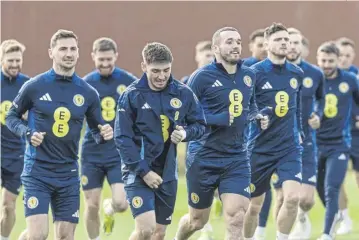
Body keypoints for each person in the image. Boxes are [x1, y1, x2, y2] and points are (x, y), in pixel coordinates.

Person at [6, 29, 113, 240]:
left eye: (73, 48)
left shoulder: (88, 93)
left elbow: (96, 130)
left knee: (65, 236)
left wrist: (105, 132)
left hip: (68, 173)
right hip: (37, 171)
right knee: (38, 235)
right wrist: (27, 132)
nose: (69, 53)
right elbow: (12, 117)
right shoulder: (34, 86)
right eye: (63, 48)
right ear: (51, 52)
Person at [174, 26, 269, 240]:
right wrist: (221, 119)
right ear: (216, 48)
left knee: (237, 217)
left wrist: (257, 115)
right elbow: (186, 117)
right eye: (229, 42)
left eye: (238, 41)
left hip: (236, 157)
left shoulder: (249, 75)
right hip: (204, 157)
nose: (236, 45)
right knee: (197, 221)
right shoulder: (200, 78)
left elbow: (250, 105)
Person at [115, 42, 206, 240]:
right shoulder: (131, 96)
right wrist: (144, 172)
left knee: (159, 233)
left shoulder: (183, 93)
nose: (162, 76)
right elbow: (122, 139)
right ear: (144, 67)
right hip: (138, 171)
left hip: (168, 172)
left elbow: (200, 125)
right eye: (155, 71)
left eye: (166, 70)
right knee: (145, 230)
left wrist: (185, 134)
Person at [243, 23, 304, 240]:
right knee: (253, 206)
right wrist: (256, 115)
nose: (284, 43)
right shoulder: (254, 73)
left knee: (293, 198)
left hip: (289, 147)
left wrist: (300, 132)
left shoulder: (296, 73)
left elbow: (296, 108)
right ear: (267, 44)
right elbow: (243, 108)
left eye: (286, 39)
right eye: (279, 39)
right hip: (259, 149)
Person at [270, 28, 325, 240]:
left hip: (306, 143)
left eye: (296, 42)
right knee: (282, 196)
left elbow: (321, 99)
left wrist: (317, 115)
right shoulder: (274, 72)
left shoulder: (314, 73)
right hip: (280, 144)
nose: (292, 46)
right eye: (288, 42)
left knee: (307, 200)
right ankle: (280, 236)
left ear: (303, 46)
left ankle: (301, 217)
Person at [81, 37, 137, 239]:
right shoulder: (85, 83)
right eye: (101, 59)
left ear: (116, 57)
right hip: (91, 152)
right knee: (91, 205)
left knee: (122, 203)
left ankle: (110, 209)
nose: (105, 64)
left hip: (117, 152)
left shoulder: (128, 81)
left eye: (109, 59)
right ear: (93, 57)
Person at [315, 41, 359, 240]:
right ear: (318, 60)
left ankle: (327, 233)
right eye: (323, 60)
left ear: (338, 60)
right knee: (318, 186)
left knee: (332, 186)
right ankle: (338, 215)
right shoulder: (313, 78)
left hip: (340, 143)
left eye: (331, 60)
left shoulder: (349, 79)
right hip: (314, 143)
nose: (327, 64)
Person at [0, 39, 29, 240]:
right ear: (2, 60)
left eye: (18, 60)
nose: (14, 65)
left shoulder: (28, 86)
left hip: (16, 155)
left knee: (8, 206)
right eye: (10, 60)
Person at [335, 37, 359, 236]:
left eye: (347, 56)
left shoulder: (357, 77)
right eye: (340, 55)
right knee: (337, 178)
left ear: (353, 56)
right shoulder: (325, 77)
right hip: (335, 137)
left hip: (357, 136)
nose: (343, 59)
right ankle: (345, 218)